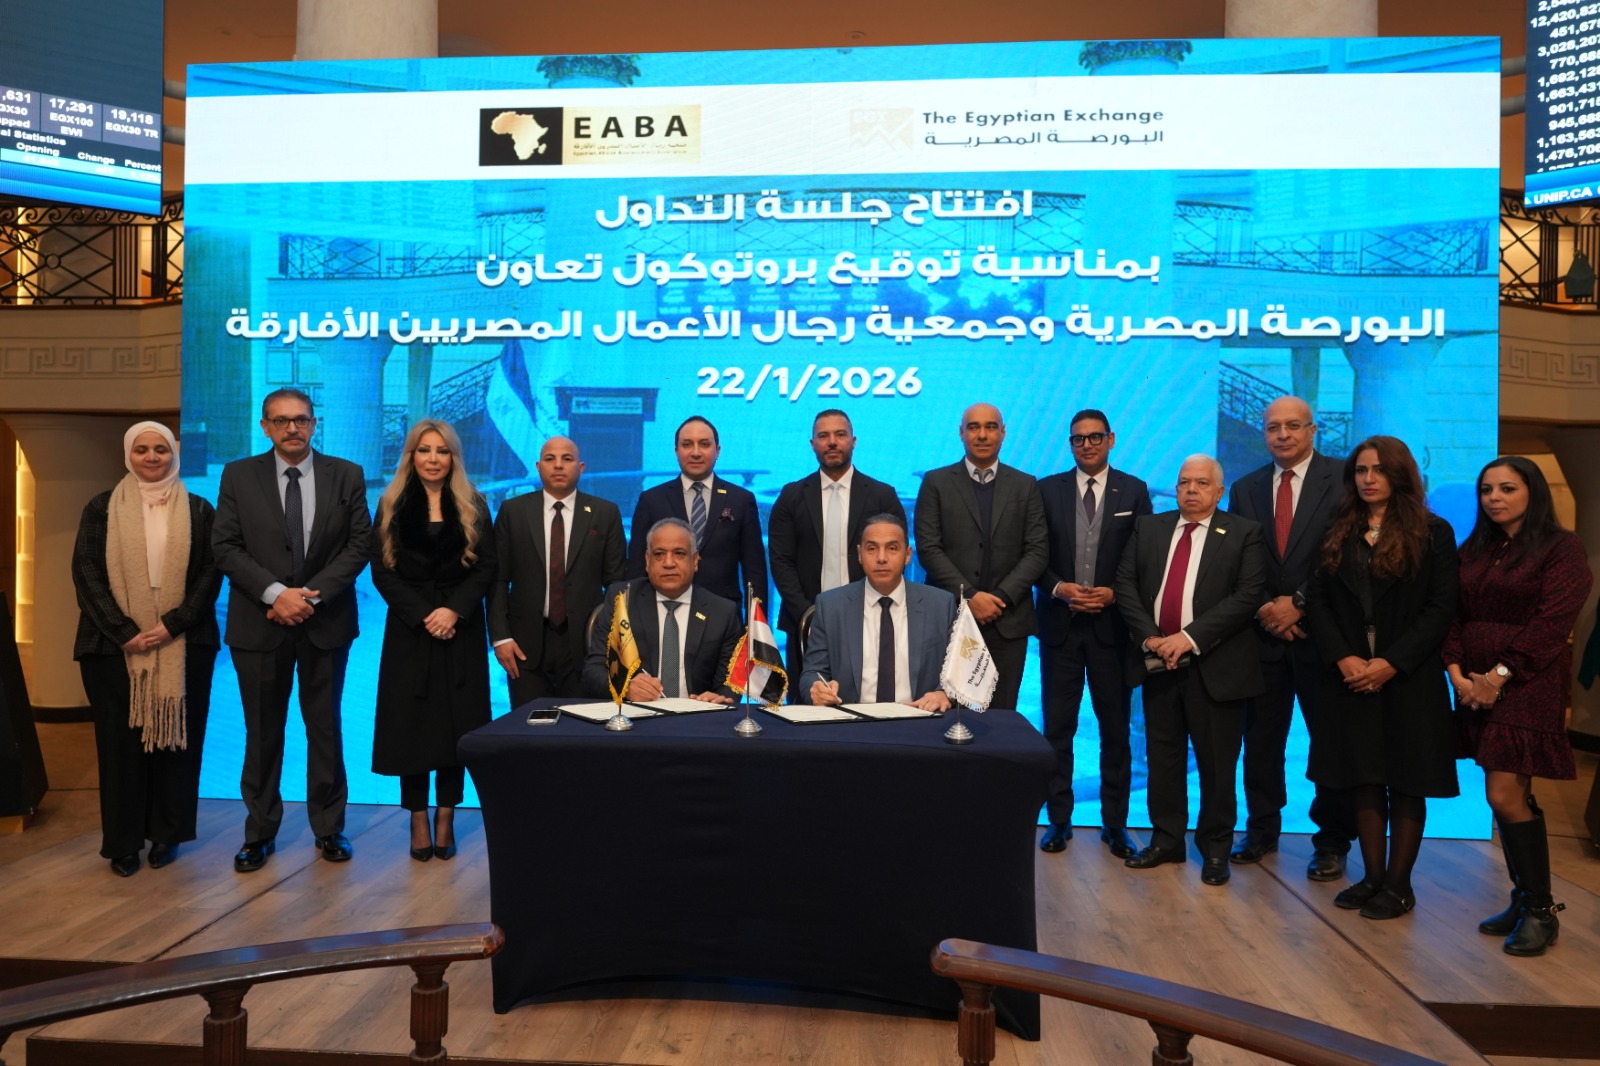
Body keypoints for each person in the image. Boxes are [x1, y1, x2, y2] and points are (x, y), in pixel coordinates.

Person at [212, 388, 371, 872]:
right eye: (281, 421)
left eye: (301, 419)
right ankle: (259, 833)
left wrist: (309, 597)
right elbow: (226, 545)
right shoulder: (239, 475)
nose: (292, 428)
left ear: (314, 424)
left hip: (326, 623)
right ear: (265, 427)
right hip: (259, 624)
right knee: (262, 732)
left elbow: (359, 544)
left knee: (325, 728)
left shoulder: (347, 474)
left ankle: (329, 828)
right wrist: (275, 594)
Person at [1304, 436, 1458, 920]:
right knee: (1363, 778)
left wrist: (1391, 662)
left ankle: (1398, 885)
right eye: (1360, 470)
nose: (1368, 479)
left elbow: (1441, 607)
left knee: (1407, 782)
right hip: (1350, 677)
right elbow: (1318, 600)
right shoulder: (1338, 528)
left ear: (1400, 474)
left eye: (1378, 470)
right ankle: (1372, 878)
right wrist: (1342, 658)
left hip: (1408, 678)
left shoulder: (1433, 531)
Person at [1445, 456, 1592, 955]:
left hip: (1527, 683)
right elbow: (1453, 615)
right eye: (1487, 489)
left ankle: (1541, 912)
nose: (1494, 498)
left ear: (1533, 492)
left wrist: (1499, 677)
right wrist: (1457, 674)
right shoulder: (1475, 549)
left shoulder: (1561, 548)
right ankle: (1524, 898)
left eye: (1507, 488)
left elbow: (1553, 621)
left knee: (1504, 793)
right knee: (1510, 795)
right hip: (1472, 683)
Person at [71, 422, 222, 877]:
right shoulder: (101, 507)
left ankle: (167, 835)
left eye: (161, 449)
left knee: (177, 742)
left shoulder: (199, 509)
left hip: (185, 642)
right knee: (119, 747)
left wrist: (172, 624)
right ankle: (123, 843)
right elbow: (86, 573)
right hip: (111, 647)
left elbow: (211, 572)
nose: (152, 457)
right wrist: (124, 631)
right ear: (128, 454)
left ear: (174, 454)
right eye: (142, 450)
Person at [1114, 455, 1267, 887]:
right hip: (1158, 662)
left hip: (1215, 666)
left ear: (1219, 491)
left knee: (1216, 764)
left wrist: (1188, 638)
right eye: (1184, 482)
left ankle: (1215, 849)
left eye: (1201, 483)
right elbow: (1125, 584)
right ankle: (1166, 840)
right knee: (1163, 757)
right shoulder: (1150, 528)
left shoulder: (1243, 533)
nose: (1191, 490)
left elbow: (1247, 595)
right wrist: (1151, 638)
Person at [1226, 397, 1357, 880]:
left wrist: (1299, 601)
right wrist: (1266, 606)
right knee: (1261, 741)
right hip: (1263, 636)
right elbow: (1240, 558)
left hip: (1323, 636)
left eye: (1293, 426)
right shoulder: (1245, 488)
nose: (1282, 435)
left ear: (1312, 430)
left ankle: (1332, 842)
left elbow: (1344, 554)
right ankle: (1261, 829)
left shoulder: (1343, 480)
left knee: (1330, 743)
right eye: (1273, 427)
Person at [369, 420, 496, 862]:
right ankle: (418, 817)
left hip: (460, 632)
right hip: (410, 633)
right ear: (411, 456)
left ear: (453, 457)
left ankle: (446, 814)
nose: (433, 458)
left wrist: (453, 610)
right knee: (412, 729)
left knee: (454, 728)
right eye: (424, 450)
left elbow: (487, 567)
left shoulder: (474, 503)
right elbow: (381, 571)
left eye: (442, 451)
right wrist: (425, 614)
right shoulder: (390, 504)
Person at [1034, 409, 1151, 859]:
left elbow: (1141, 555)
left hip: (1111, 629)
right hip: (1060, 627)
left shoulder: (1134, 490)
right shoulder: (1047, 489)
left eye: (1095, 437)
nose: (1087, 445)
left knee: (1115, 730)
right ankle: (1058, 819)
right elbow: (1034, 553)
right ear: (1070, 443)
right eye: (1078, 439)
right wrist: (1059, 589)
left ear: (1111, 439)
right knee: (1057, 729)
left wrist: (1114, 593)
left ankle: (1115, 824)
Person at [915, 402, 1048, 712]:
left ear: (1003, 433)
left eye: (991, 427)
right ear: (961, 433)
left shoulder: (1025, 485)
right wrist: (970, 596)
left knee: (1001, 718)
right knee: (944, 715)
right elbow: (929, 548)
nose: (982, 434)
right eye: (973, 427)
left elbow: (1037, 550)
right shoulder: (936, 482)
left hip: (1008, 620)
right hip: (950, 619)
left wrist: (999, 598)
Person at [768, 410, 905, 691]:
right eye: (824, 436)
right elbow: (781, 561)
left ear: (853, 441)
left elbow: (894, 558)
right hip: (805, 621)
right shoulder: (791, 496)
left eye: (840, 435)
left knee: (866, 699)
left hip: (870, 618)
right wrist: (808, 614)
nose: (832, 442)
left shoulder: (882, 495)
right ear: (812, 444)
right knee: (808, 702)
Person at [488, 436, 625, 705]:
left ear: (581, 467)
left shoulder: (605, 513)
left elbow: (616, 583)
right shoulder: (513, 511)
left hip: (586, 645)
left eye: (567, 459)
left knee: (582, 725)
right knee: (528, 724)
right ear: (538, 467)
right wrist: (500, 637)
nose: (558, 465)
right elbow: (498, 579)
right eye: (550, 459)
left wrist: (610, 644)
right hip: (523, 644)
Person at [798, 513, 957, 710]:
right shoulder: (830, 606)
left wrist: (944, 693)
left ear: (908, 554)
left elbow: (960, 672)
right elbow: (811, 673)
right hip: (851, 722)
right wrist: (816, 689)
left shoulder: (940, 605)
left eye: (892, 548)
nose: (881, 558)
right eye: (872, 549)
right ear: (859, 554)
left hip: (919, 718)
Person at [584, 518, 743, 702]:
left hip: (698, 714)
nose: (668, 563)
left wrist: (720, 698)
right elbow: (593, 671)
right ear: (647, 560)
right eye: (659, 554)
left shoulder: (722, 612)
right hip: (637, 713)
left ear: (695, 560)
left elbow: (731, 683)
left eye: (679, 553)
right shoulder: (622, 600)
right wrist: (625, 687)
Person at [627, 415, 767, 612]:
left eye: (704, 444)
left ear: (718, 450)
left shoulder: (741, 500)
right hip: (664, 613)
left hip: (723, 615)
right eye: (687, 445)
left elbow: (755, 571)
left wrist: (756, 625)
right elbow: (636, 568)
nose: (695, 452)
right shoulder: (651, 500)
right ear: (676, 451)